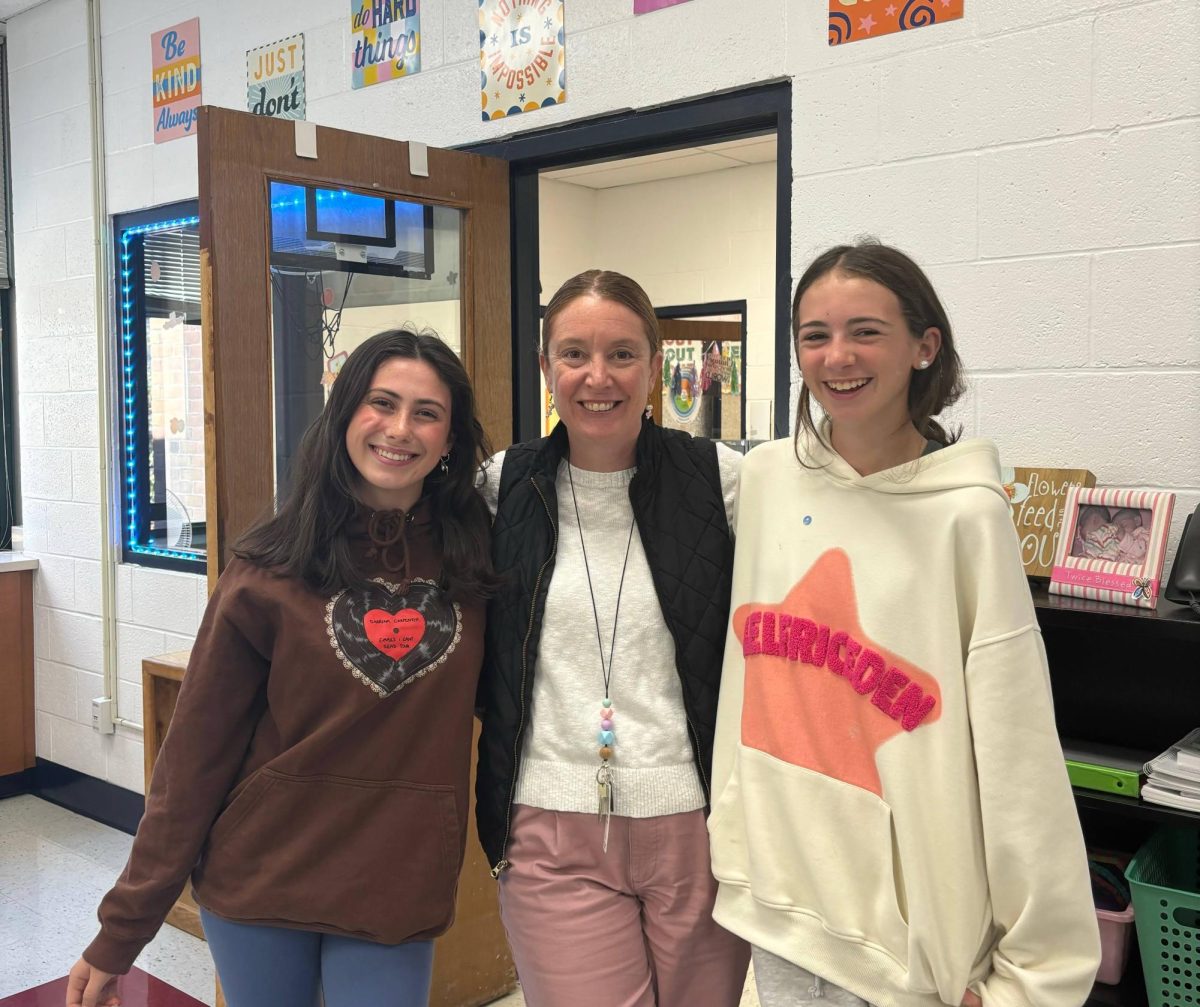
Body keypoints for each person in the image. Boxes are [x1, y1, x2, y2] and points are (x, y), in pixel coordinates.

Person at [708, 241, 1101, 1007]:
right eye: (814, 335)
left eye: (866, 330)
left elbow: (1017, 753)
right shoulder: (764, 480)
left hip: (908, 944)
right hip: (780, 906)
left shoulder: (968, 515)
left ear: (925, 346)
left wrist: (1034, 973)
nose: (838, 355)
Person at [66, 328, 498, 1007]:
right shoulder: (268, 568)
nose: (399, 428)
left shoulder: (476, 566)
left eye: (426, 412)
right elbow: (193, 760)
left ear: (449, 440)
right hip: (262, 876)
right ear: (345, 414)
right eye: (381, 403)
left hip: (397, 882)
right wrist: (122, 928)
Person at [475, 269, 750, 1007]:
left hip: (698, 827)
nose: (598, 377)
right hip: (551, 824)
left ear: (656, 366)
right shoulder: (503, 487)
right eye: (574, 354)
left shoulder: (720, 480)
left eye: (623, 354)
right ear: (546, 368)